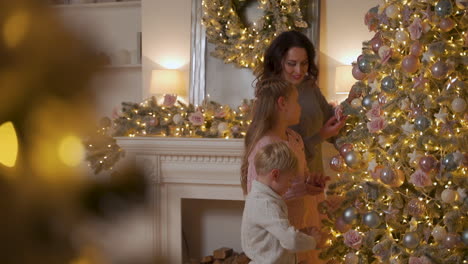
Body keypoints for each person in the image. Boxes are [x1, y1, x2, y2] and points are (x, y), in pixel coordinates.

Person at [240, 78, 327, 263]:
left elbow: (297, 176)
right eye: (296, 101)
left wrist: (309, 184)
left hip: (300, 223)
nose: (300, 107)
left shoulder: (294, 139)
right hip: (282, 234)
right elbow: (264, 193)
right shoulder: (264, 146)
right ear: (282, 103)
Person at [256, 30, 346, 173]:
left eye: (304, 63)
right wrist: (321, 136)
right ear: (279, 62)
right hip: (286, 183)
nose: (299, 70)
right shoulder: (269, 97)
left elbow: (331, 121)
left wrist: (351, 102)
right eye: (292, 63)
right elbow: (277, 158)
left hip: (314, 178)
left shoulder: (309, 87)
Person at [241, 141, 322, 264]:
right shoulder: (265, 204)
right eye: (289, 180)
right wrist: (314, 241)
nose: (289, 186)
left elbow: (275, 236)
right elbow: (291, 241)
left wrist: (303, 233)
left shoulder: (262, 198)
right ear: (275, 174)